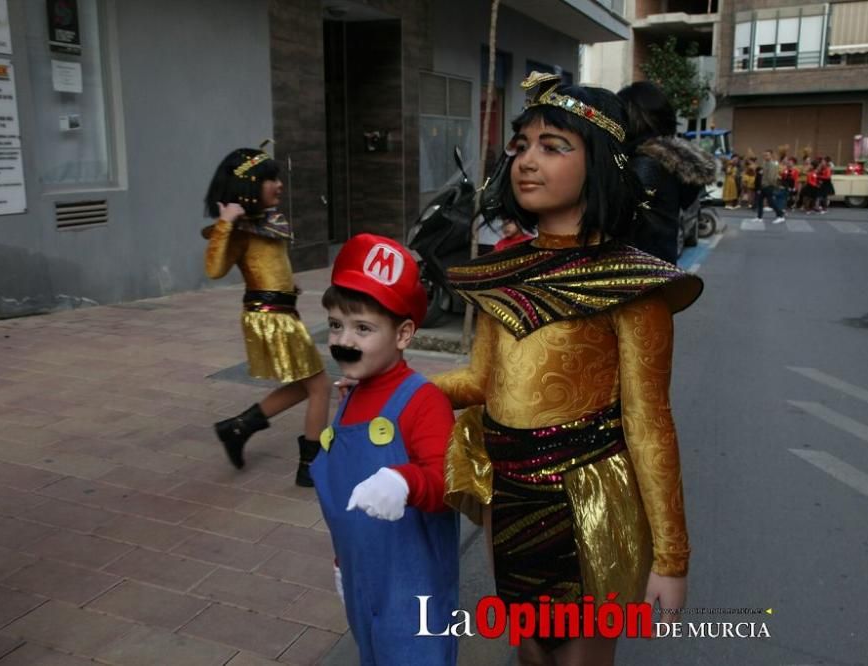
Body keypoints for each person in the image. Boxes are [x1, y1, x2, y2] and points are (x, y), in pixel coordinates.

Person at [434, 72, 703, 665]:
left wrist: (672, 558)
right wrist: (398, 390)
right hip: (510, 496)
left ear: (601, 162)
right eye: (521, 145)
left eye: (554, 147)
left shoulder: (633, 286)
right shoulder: (504, 271)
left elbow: (650, 424)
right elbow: (480, 383)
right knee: (530, 653)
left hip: (588, 501)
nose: (528, 161)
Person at [311, 233, 459, 666]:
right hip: (361, 577)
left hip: (413, 590)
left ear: (404, 334)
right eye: (336, 325)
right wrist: (343, 560)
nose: (345, 341)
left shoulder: (422, 400)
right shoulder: (352, 394)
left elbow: (447, 483)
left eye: (363, 328)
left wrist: (405, 480)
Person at [202, 147, 331, 486]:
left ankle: (238, 428)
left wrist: (289, 285)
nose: (279, 185)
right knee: (319, 387)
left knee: (308, 385)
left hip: (281, 310)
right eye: (271, 179)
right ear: (248, 186)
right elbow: (214, 269)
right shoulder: (240, 228)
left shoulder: (266, 224)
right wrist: (225, 222)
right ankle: (310, 467)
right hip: (270, 317)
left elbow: (270, 266)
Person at [618, 81, 715, 264]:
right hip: (659, 271)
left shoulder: (643, 164)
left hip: (635, 275)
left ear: (631, 118)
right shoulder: (669, 162)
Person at [752, 150, 786, 224]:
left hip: (768, 186)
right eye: (764, 155)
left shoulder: (772, 164)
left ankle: (780, 216)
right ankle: (759, 217)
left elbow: (772, 177)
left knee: (771, 202)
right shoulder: (765, 163)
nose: (765, 156)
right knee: (760, 201)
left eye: (767, 155)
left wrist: (770, 184)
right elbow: (763, 174)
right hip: (763, 185)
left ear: (771, 156)